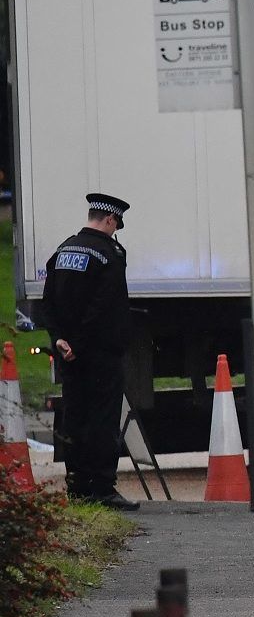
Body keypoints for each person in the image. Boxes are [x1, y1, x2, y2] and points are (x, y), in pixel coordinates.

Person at [40, 194, 139, 510]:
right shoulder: (108, 255)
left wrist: (59, 339)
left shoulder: (63, 250)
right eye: (116, 226)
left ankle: (78, 486)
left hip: (68, 353)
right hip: (98, 353)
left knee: (75, 417)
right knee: (102, 420)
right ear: (110, 220)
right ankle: (102, 489)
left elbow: (49, 302)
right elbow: (102, 308)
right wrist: (80, 344)